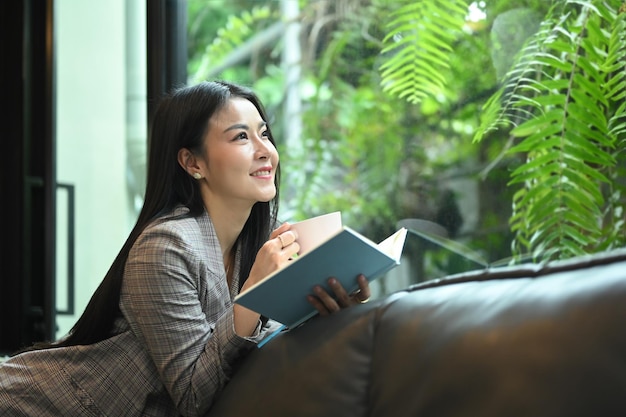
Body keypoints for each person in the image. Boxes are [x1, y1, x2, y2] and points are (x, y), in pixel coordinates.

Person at [0, 81, 371, 417]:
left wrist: (329, 313)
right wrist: (257, 292)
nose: (265, 152)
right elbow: (194, 398)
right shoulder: (165, 247)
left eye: (264, 134)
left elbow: (262, 360)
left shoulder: (264, 244)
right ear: (192, 163)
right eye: (241, 137)